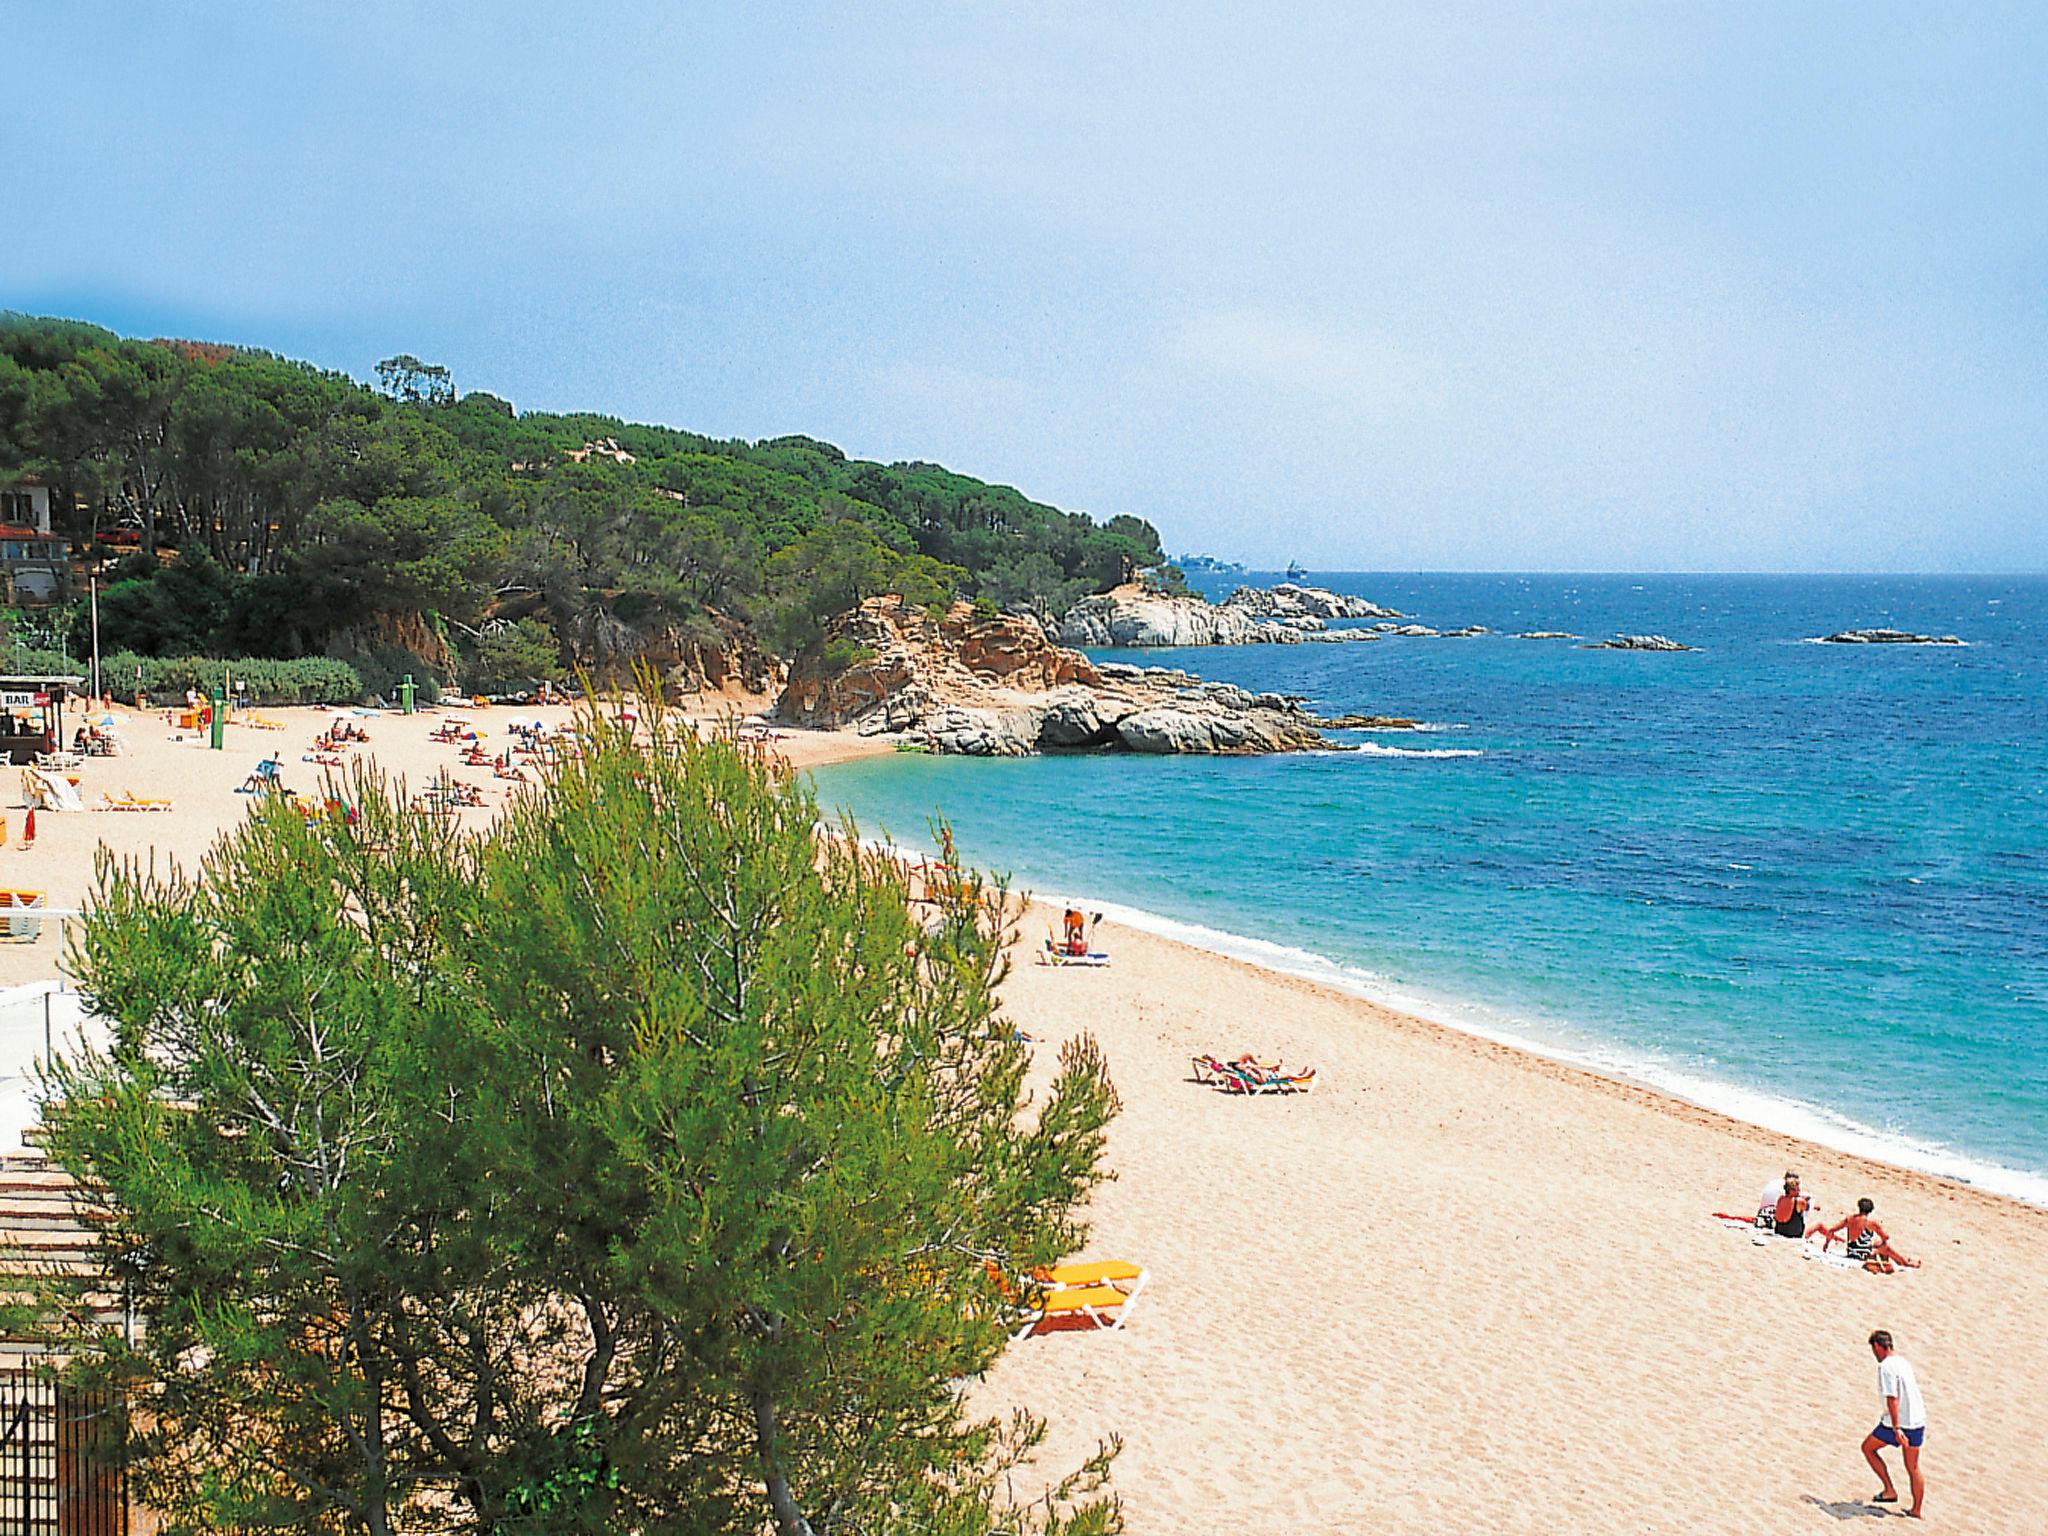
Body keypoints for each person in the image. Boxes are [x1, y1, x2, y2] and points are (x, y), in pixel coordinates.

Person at [1860, 1330, 1926, 1517]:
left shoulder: (1885, 1367)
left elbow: (1892, 1398)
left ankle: (1889, 1489)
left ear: (1878, 1347)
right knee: (1913, 1467)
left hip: (1897, 1423)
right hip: (1917, 1420)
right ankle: (1917, 1510)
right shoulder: (1902, 1362)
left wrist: (1897, 1428)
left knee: (1868, 1448)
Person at [1818, 1199, 1920, 1273]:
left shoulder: (1849, 1219)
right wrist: (1883, 1238)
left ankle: (1903, 1260)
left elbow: (1831, 1230)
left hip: (1851, 1252)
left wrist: (1826, 1244)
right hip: (1862, 1254)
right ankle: (1905, 1263)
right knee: (1885, 1247)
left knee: (1876, 1243)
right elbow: (1885, 1237)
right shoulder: (1871, 1223)